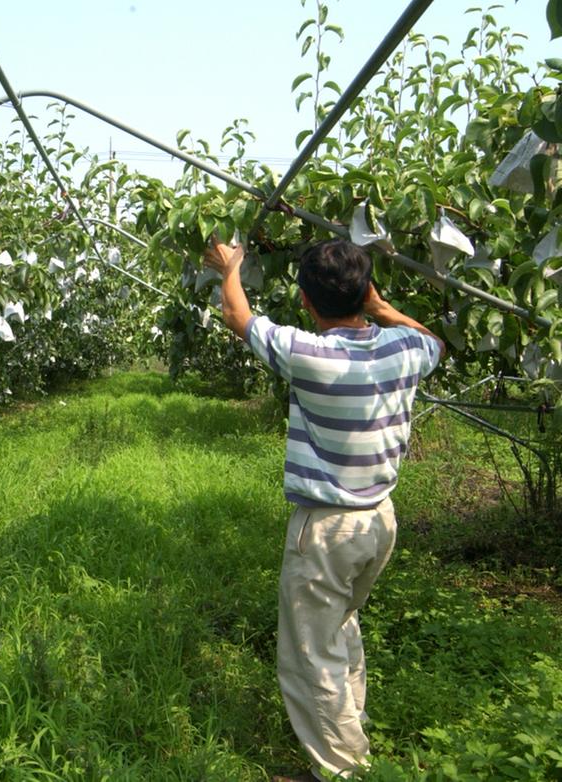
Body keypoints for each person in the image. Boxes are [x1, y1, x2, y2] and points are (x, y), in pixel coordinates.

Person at [201, 236, 445, 781]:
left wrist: (231, 265)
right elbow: (436, 343)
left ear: (307, 303)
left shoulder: (309, 355)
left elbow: (235, 312)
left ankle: (342, 771)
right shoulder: (404, 351)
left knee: (310, 654)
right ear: (365, 293)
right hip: (378, 522)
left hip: (328, 529)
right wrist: (381, 308)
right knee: (340, 628)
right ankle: (351, 730)